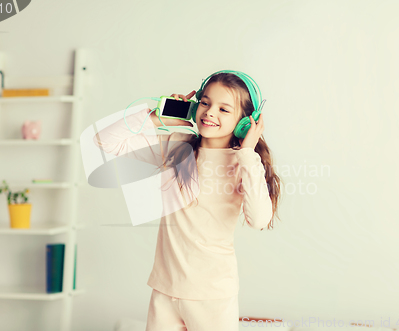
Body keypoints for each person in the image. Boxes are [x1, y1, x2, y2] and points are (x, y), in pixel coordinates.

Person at [93, 71, 282, 331]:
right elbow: (104, 141)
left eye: (224, 109)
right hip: (165, 289)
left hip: (213, 296)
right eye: (205, 102)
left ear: (245, 123)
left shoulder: (242, 163)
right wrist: (157, 116)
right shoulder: (176, 146)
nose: (209, 112)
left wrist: (248, 153)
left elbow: (259, 219)